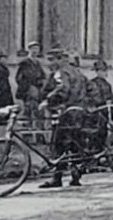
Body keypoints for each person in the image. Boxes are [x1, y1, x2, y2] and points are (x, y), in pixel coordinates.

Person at [39, 47, 95, 189]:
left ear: (59, 59)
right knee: (75, 144)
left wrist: (48, 100)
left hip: (67, 113)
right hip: (79, 112)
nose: (49, 63)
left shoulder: (61, 72)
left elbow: (63, 89)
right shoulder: (77, 71)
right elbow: (91, 88)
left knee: (59, 144)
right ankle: (76, 176)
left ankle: (56, 178)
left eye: (51, 60)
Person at [15, 41, 47, 116]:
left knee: (36, 105)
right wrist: (27, 86)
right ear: (29, 49)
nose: (35, 51)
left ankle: (33, 122)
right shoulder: (25, 62)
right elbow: (19, 77)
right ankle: (27, 121)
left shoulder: (37, 62)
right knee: (29, 105)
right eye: (33, 48)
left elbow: (43, 74)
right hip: (28, 87)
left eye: (37, 49)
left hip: (37, 86)